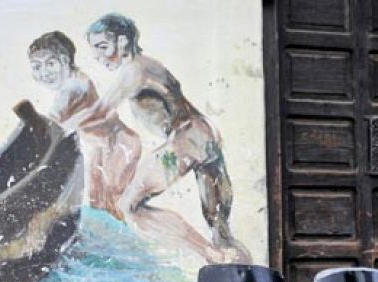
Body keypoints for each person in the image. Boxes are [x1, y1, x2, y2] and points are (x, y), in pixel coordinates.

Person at [64, 13, 250, 264]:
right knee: (220, 227)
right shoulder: (147, 65)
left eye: (102, 47)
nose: (98, 56)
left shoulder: (135, 70)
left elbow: (100, 111)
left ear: (122, 41)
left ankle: (211, 256)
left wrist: (59, 128)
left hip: (186, 139)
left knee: (130, 206)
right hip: (203, 136)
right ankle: (235, 269)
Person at [28, 30, 141, 220]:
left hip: (120, 146)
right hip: (104, 148)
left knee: (112, 205)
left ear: (65, 61)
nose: (44, 72)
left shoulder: (73, 86)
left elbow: (52, 121)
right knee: (99, 206)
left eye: (50, 64)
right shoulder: (74, 81)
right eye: (36, 67)